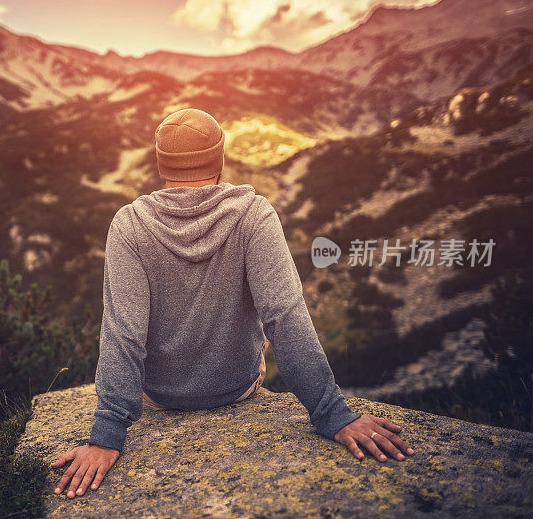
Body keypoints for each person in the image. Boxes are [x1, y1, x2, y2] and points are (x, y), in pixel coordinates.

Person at [52, 108, 413, 499]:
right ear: (220, 158)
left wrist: (107, 436)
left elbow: (124, 332)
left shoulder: (129, 224)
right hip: (237, 387)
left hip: (158, 395)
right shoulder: (254, 215)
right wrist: (332, 414)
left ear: (160, 163)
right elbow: (285, 316)